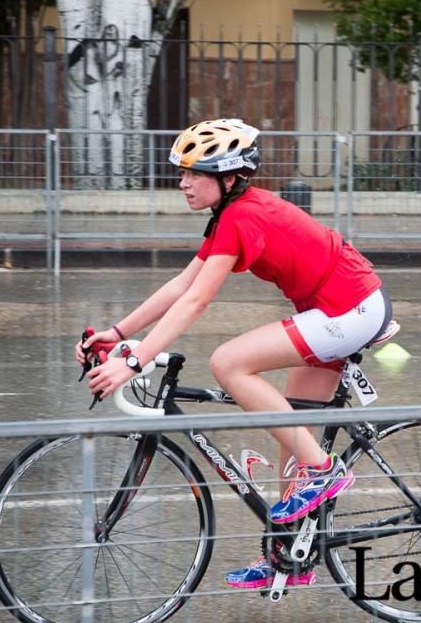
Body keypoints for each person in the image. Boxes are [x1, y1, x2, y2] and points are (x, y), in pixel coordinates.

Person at [75, 118, 391, 589]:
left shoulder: (241, 216)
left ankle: (326, 472)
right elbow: (182, 285)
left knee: (228, 362)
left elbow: (197, 301)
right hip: (332, 307)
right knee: (288, 429)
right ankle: (290, 559)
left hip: (349, 308)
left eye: (193, 173)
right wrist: (117, 332)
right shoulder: (230, 215)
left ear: (228, 178)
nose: (182, 182)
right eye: (181, 172)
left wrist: (134, 361)